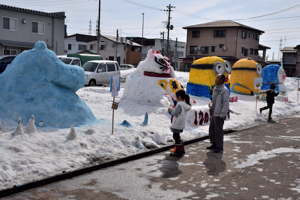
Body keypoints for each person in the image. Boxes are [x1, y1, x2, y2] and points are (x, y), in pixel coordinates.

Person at [207, 74, 229, 153]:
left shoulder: (224, 90)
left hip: (219, 114)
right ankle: (214, 144)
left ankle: (219, 146)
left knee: (218, 131)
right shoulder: (215, 89)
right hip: (214, 112)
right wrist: (211, 106)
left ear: (221, 80)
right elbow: (213, 100)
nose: (215, 79)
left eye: (217, 78)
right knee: (212, 129)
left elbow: (225, 104)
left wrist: (222, 114)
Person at [168, 90, 191, 157]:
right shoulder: (185, 104)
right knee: (177, 136)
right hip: (181, 123)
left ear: (179, 97)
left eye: (176, 97)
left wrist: (170, 110)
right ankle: (181, 149)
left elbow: (175, 113)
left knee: (175, 136)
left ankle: (178, 151)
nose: (175, 98)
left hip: (177, 123)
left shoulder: (180, 104)